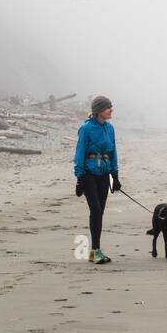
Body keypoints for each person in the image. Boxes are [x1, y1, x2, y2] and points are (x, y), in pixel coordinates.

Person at [74, 94, 121, 263]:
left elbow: (113, 152)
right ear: (99, 110)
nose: (111, 110)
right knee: (95, 209)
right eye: (108, 107)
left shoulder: (110, 128)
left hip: (104, 174)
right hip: (88, 174)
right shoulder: (86, 129)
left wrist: (115, 175)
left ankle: (95, 251)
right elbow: (79, 153)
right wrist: (79, 178)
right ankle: (95, 251)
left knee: (100, 212)